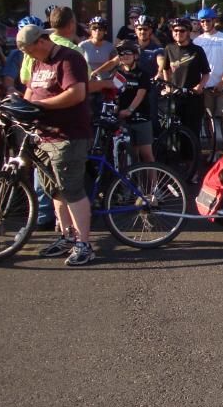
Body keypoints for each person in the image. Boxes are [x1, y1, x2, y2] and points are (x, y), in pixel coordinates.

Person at [17, 23, 95, 267]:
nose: (29, 57)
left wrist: (43, 106)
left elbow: (76, 93)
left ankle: (84, 244)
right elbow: (31, 91)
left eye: (30, 51)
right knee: (56, 190)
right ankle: (66, 236)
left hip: (67, 135)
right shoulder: (40, 61)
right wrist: (21, 108)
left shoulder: (69, 59)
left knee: (72, 189)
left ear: (41, 42)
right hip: (44, 136)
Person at [157, 17, 211, 135]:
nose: (178, 33)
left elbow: (206, 73)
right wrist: (168, 85)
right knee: (174, 132)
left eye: (182, 31)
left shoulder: (197, 50)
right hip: (175, 96)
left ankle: (193, 153)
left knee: (192, 131)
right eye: (175, 30)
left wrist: (199, 87)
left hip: (193, 97)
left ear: (188, 32)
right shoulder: (169, 48)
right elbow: (165, 69)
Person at [194, 6, 223, 148]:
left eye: (208, 21)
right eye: (202, 21)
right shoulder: (197, 41)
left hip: (222, 86)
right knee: (209, 118)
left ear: (214, 21)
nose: (205, 23)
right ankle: (213, 150)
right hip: (205, 86)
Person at [110, 41, 155, 164]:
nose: (124, 56)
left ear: (135, 55)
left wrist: (129, 110)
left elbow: (140, 94)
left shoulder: (142, 74)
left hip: (141, 118)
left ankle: (153, 183)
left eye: (128, 53)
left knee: (147, 155)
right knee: (131, 155)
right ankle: (133, 182)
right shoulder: (117, 74)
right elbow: (115, 95)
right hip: (124, 120)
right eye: (121, 54)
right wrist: (116, 111)